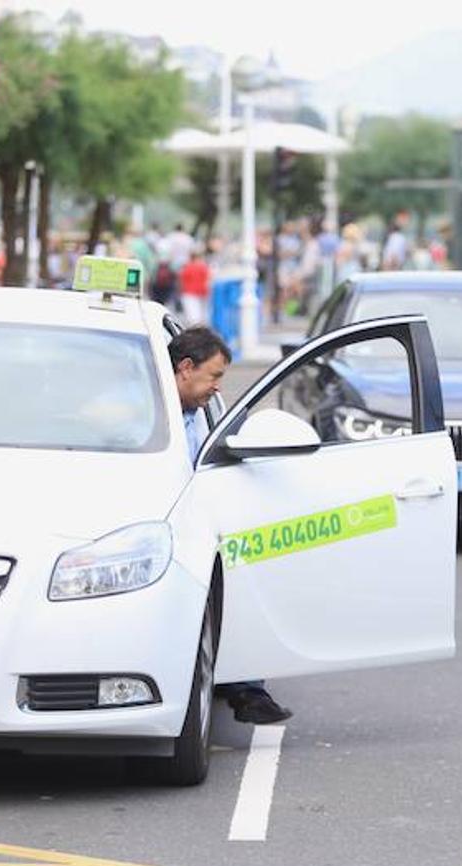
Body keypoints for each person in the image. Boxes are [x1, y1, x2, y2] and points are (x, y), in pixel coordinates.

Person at [167, 326, 294, 726]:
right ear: (185, 368)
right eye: (214, 376)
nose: (218, 389)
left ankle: (246, 686)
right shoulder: (146, 415)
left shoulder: (201, 414)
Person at [177, 249, 211, 326]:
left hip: (189, 293)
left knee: (193, 317)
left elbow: (182, 281)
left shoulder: (186, 267)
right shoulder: (204, 267)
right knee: (202, 316)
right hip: (202, 293)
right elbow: (208, 279)